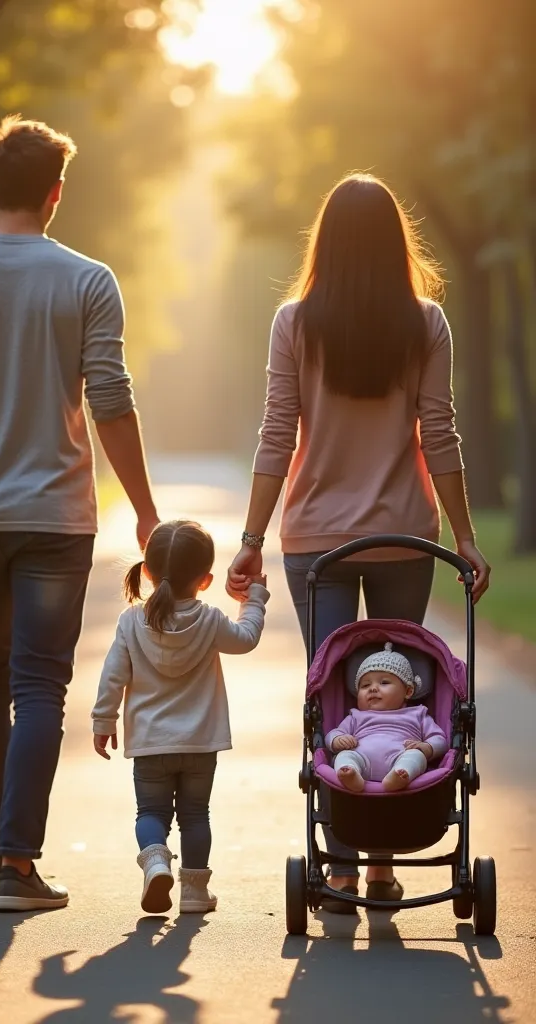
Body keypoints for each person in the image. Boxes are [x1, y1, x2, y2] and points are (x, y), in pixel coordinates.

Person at [0, 116, 159, 913]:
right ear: (55, 196)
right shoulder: (88, 279)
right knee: (40, 682)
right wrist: (145, 511)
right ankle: (17, 862)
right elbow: (110, 399)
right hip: (55, 518)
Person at [227, 173, 490, 912]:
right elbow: (439, 434)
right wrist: (465, 537)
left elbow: (278, 433)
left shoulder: (294, 323)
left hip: (316, 539)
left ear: (327, 244)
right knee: (397, 694)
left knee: (339, 695)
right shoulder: (426, 323)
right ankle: (382, 861)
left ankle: (339, 870)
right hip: (407, 537)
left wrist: (250, 538)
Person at [91, 520, 269, 915]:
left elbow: (112, 676)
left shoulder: (131, 621)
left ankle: (155, 861)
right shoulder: (210, 620)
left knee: (150, 813)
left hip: (150, 743)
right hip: (200, 743)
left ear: (148, 571)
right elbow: (246, 638)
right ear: (204, 581)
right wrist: (254, 598)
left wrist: (103, 720)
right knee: (195, 815)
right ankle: (194, 893)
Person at [326, 642, 447, 795]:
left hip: (401, 755)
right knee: (344, 756)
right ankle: (351, 774)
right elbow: (333, 733)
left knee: (416, 756)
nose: (373, 688)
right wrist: (338, 740)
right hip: (360, 757)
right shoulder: (356, 716)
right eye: (365, 686)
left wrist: (428, 748)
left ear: (408, 691)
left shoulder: (418, 714)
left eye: (384, 683)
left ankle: (401, 774)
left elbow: (440, 739)